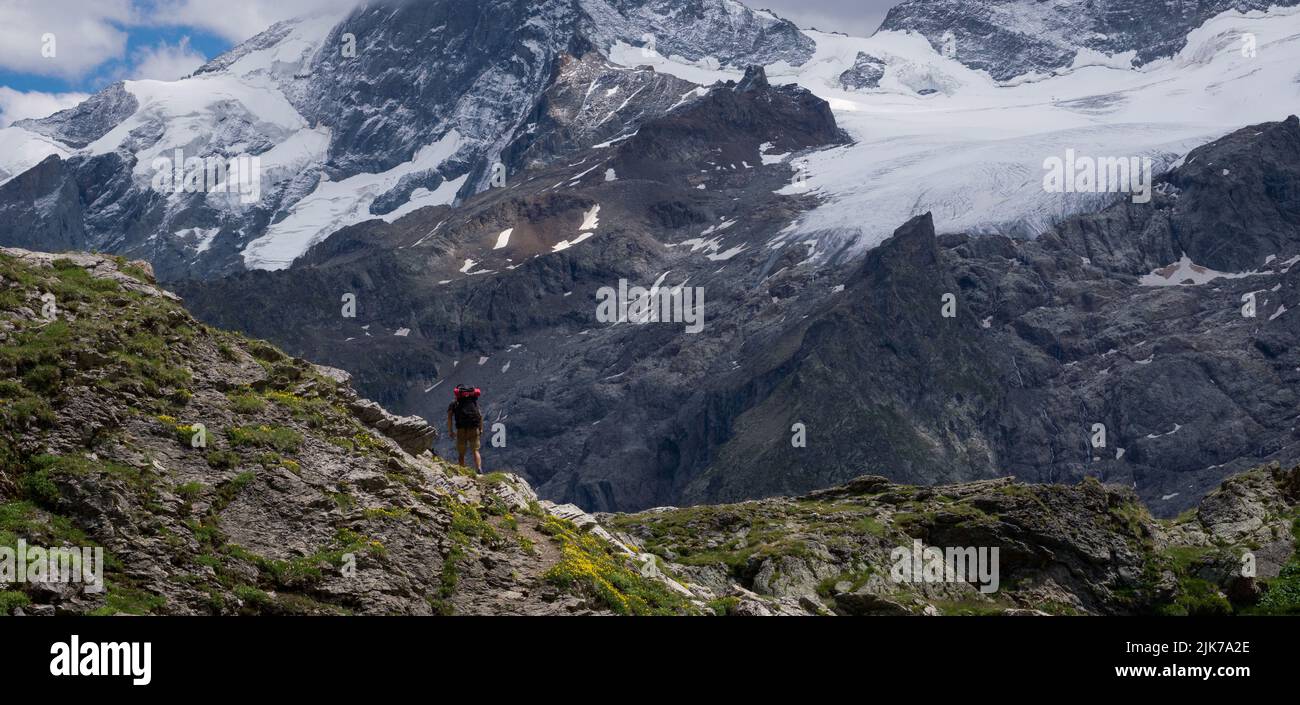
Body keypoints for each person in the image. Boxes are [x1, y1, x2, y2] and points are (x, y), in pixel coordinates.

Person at [447, 385, 484, 472]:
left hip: (461, 429)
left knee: (461, 453)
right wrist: (481, 428)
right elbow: (480, 415)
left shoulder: (454, 403)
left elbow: (449, 418)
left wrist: (451, 431)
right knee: (475, 450)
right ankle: (479, 468)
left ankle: (462, 470)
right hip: (474, 428)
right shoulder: (473, 401)